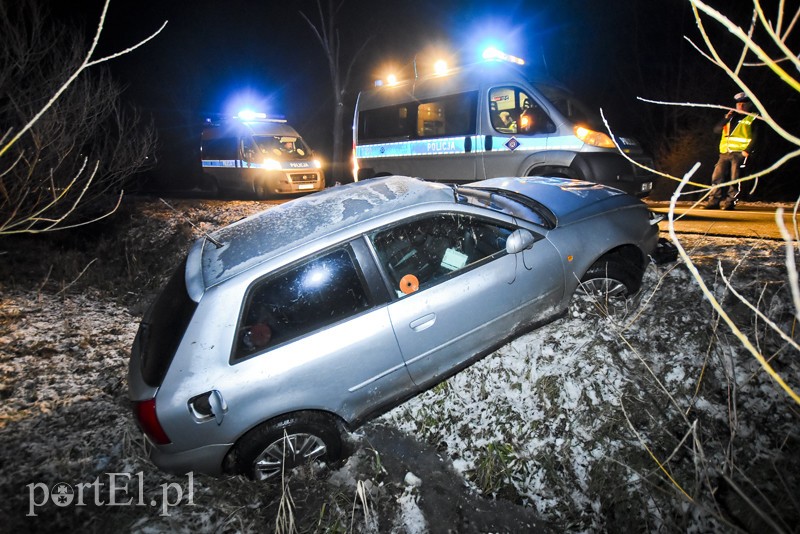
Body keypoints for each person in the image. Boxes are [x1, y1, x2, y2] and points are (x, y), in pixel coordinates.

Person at [705, 92, 759, 210]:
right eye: (738, 104)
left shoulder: (753, 117)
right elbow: (717, 130)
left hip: (739, 153)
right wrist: (726, 119)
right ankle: (714, 201)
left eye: (743, 104)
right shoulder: (730, 117)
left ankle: (730, 202)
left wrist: (747, 151)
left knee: (735, 179)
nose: (740, 106)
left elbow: (757, 136)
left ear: (749, 105)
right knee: (717, 177)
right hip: (725, 152)